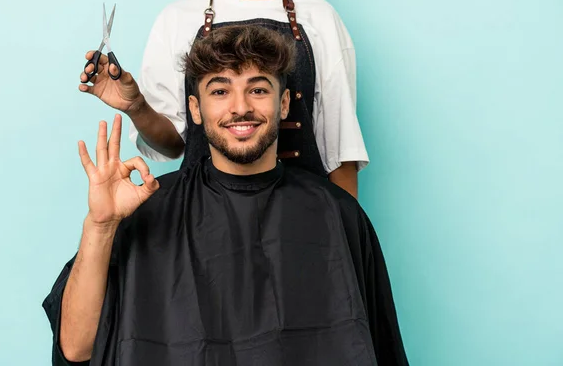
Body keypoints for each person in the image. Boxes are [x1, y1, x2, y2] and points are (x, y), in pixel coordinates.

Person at [50, 25, 408, 365]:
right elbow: (77, 348)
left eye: (258, 89)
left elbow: (379, 348)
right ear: (195, 109)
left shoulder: (338, 214)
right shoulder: (148, 209)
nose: (240, 107)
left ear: (283, 104)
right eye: (220, 91)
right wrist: (100, 225)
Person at [79, 0, 368, 198]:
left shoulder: (320, 16)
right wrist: (137, 107)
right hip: (201, 221)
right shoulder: (176, 19)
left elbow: (342, 155)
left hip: (303, 221)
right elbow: (174, 146)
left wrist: (348, 245)